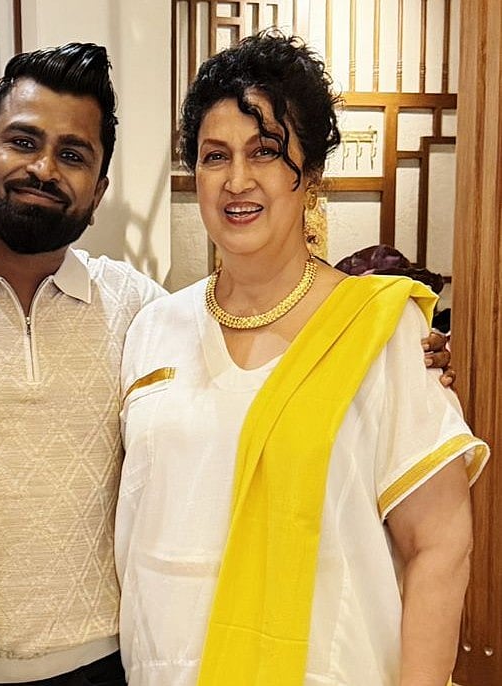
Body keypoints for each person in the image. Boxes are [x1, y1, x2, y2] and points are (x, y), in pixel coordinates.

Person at [115, 32, 489, 686]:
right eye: (214, 156)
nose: (237, 180)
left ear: (310, 174)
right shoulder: (152, 329)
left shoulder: (379, 331)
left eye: (265, 151)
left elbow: (438, 545)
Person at [0, 43, 165, 685]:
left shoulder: (139, 308)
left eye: (73, 155)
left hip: (105, 664)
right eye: (23, 142)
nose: (44, 169)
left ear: (97, 192)